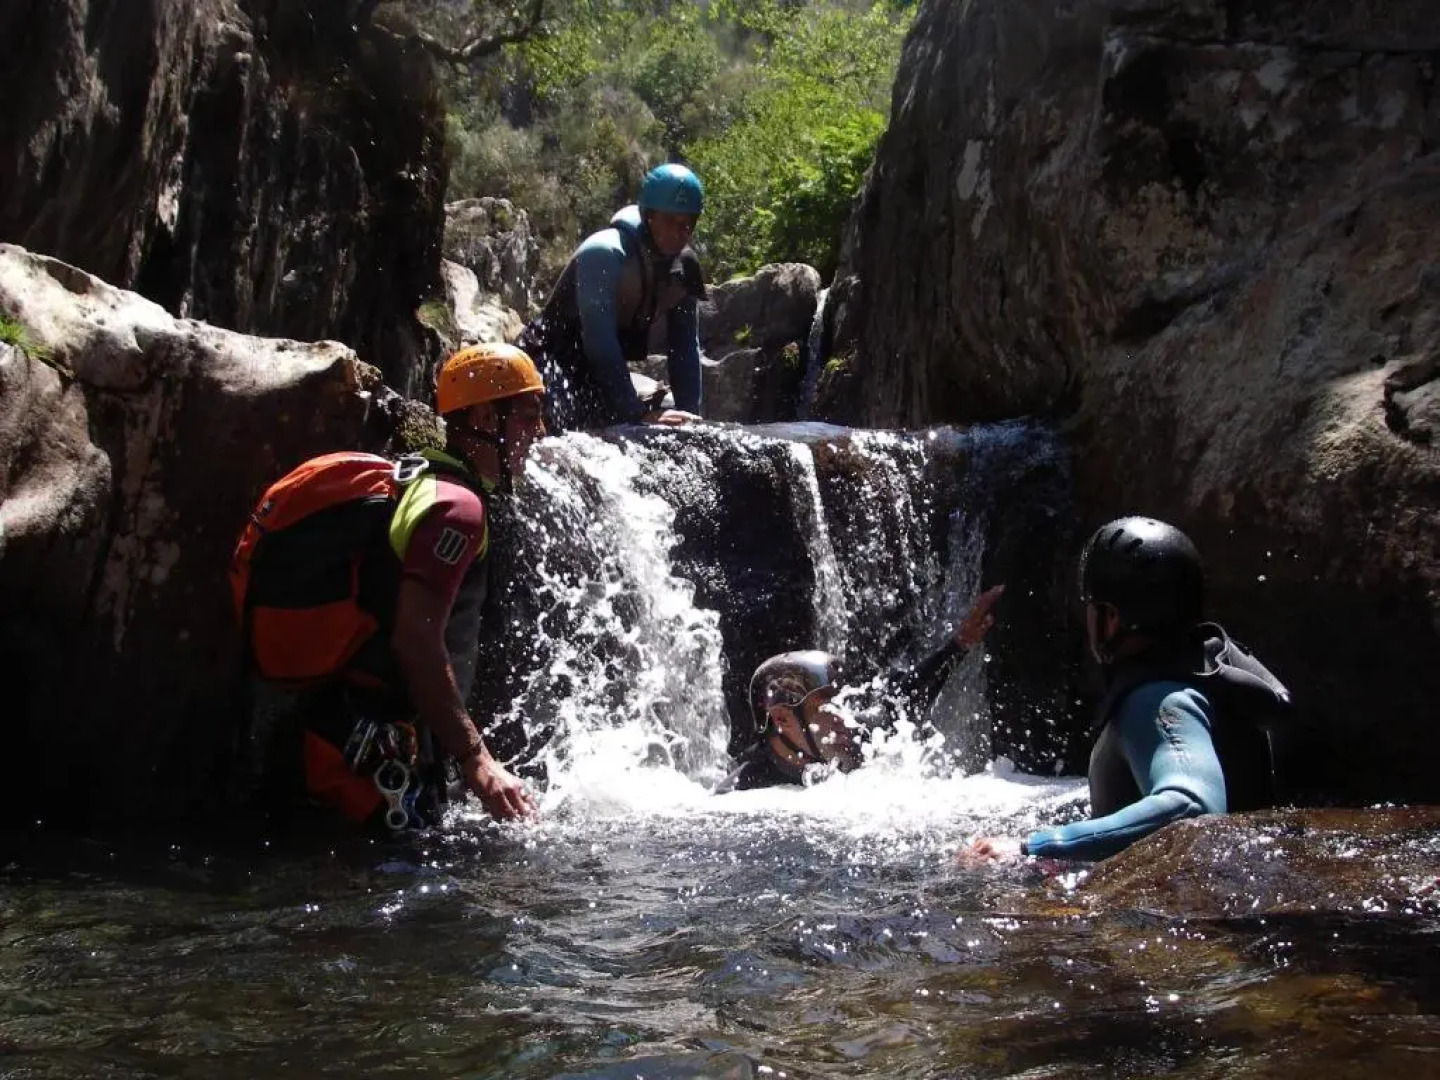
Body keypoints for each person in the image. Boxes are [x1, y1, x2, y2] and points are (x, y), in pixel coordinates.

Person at [230, 343, 547, 831]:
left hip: (341, 739)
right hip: (368, 764)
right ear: (485, 414)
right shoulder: (457, 510)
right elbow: (415, 639)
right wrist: (478, 762)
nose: (539, 431)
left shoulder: (420, 477)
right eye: (529, 415)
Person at [967, 516, 1292, 863]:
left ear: (1112, 618)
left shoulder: (1157, 701)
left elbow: (1190, 806)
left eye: (1091, 606)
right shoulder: (1212, 664)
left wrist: (1031, 847)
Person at [717, 585, 1006, 792]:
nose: (846, 720)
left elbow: (907, 696)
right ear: (781, 719)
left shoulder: (855, 738)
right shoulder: (741, 789)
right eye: (828, 708)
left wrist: (958, 645)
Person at [519, 162, 708, 432]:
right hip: (548, 357)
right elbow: (599, 342)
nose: (681, 232)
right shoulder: (605, 252)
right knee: (566, 423)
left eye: (689, 223)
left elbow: (685, 347)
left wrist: (691, 418)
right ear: (649, 216)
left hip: (595, 372)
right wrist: (635, 414)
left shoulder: (686, 267)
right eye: (671, 221)